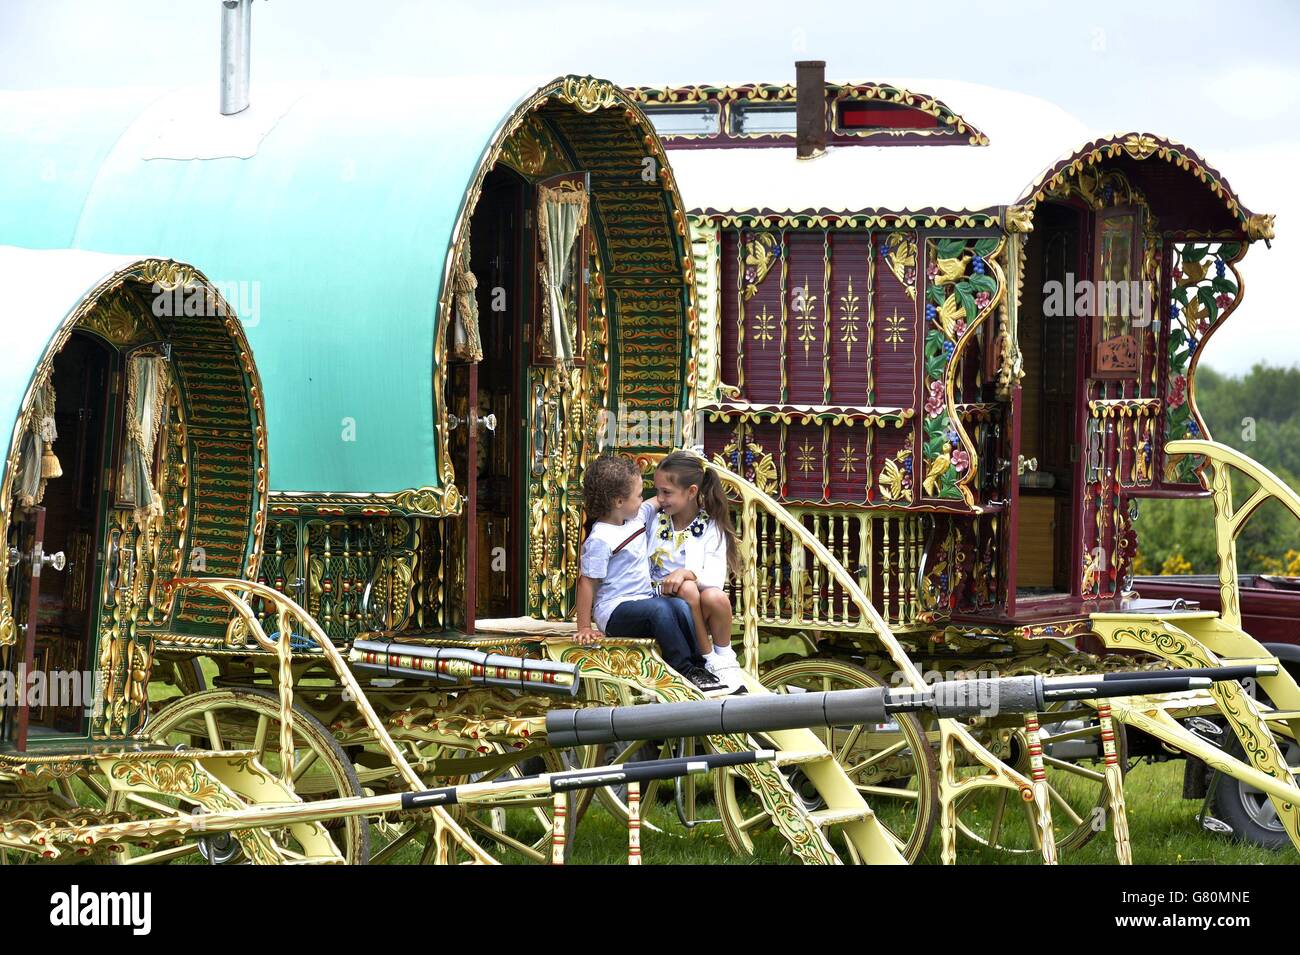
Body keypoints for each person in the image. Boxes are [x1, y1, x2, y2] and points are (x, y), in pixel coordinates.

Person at [575, 455, 724, 692]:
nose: (646, 499)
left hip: (643, 600)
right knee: (661, 610)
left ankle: (700, 664)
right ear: (619, 501)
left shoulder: (638, 515)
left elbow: (666, 496)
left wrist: (689, 490)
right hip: (615, 610)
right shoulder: (600, 539)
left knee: (680, 606)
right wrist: (584, 627)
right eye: (638, 495)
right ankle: (684, 670)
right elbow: (586, 583)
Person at [642, 449, 745, 692]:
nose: (660, 498)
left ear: (691, 492)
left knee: (716, 597)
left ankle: (724, 658)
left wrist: (689, 573)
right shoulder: (654, 521)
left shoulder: (711, 525)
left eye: (666, 492)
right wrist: (681, 580)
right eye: (657, 491)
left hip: (694, 596)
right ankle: (706, 658)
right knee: (688, 589)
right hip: (656, 592)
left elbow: (716, 580)